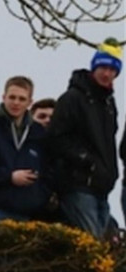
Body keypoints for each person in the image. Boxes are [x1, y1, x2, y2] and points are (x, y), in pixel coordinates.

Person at [45, 38, 121, 242]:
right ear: (94, 67)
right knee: (91, 243)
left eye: (112, 70)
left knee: (103, 245)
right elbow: (56, 138)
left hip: (102, 186)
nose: (107, 74)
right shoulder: (72, 98)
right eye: (103, 67)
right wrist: (84, 159)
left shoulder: (108, 104)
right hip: (77, 184)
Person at [0, 76, 50, 222]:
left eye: (22, 99)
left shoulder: (39, 134)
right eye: (12, 97)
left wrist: (40, 197)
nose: (16, 103)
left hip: (29, 213)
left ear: (30, 102)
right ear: (4, 97)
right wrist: (10, 177)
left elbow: (47, 170)